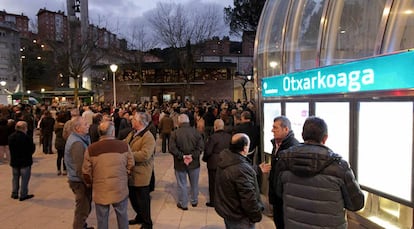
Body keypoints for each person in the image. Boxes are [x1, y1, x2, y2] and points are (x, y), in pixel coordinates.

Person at [273, 116, 365, 228]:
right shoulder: (338, 166)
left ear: (302, 135)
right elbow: (356, 203)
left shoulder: (284, 161)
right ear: (325, 138)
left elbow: (279, 192)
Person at [82, 121, 134, 229]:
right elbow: (131, 165)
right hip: (120, 187)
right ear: (113, 132)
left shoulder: (91, 149)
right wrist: (126, 176)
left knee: (102, 218)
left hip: (100, 188)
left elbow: (86, 171)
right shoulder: (124, 146)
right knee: (122, 215)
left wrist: (91, 182)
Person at [214, 133, 264, 229]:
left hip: (228, 211)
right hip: (240, 217)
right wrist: (257, 216)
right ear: (245, 148)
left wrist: (255, 169)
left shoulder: (225, 158)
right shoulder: (241, 169)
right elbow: (248, 199)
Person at [124, 112, 155, 229]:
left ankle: (147, 223)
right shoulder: (133, 133)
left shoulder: (148, 136)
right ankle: (140, 217)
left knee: (143, 201)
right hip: (131, 173)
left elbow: (145, 155)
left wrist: (128, 155)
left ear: (140, 122)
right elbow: (124, 143)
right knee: (133, 198)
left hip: (142, 174)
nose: (131, 121)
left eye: (134, 120)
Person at [267, 116, 299, 228]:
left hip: (286, 199)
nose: (272, 130)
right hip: (277, 198)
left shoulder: (293, 148)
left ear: (286, 129)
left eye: (275, 128)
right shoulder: (276, 144)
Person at [169, 114, 204, 210]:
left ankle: (183, 203)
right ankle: (194, 201)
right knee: (194, 183)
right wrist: (192, 156)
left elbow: (172, 148)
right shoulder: (196, 132)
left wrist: (182, 156)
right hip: (194, 163)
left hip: (180, 163)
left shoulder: (175, 133)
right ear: (188, 121)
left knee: (182, 184)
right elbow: (200, 147)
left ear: (179, 122)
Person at [64, 117, 93, 229]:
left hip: (78, 180)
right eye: (85, 124)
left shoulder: (80, 139)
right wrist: (88, 182)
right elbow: (81, 168)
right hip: (79, 182)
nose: (88, 126)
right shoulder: (77, 143)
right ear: (77, 128)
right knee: (82, 210)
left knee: (84, 208)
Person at [202, 119, 231, 207]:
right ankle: (224, 201)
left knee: (213, 183)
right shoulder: (229, 137)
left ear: (215, 127)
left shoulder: (213, 137)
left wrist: (205, 159)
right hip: (226, 162)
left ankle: (214, 202)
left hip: (214, 163)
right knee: (225, 183)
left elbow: (208, 151)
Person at [8, 121, 36, 201]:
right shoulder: (27, 138)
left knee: (15, 178)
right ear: (24, 128)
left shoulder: (11, 137)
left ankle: (14, 193)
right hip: (25, 161)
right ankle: (23, 194)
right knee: (25, 178)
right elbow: (31, 149)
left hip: (14, 160)